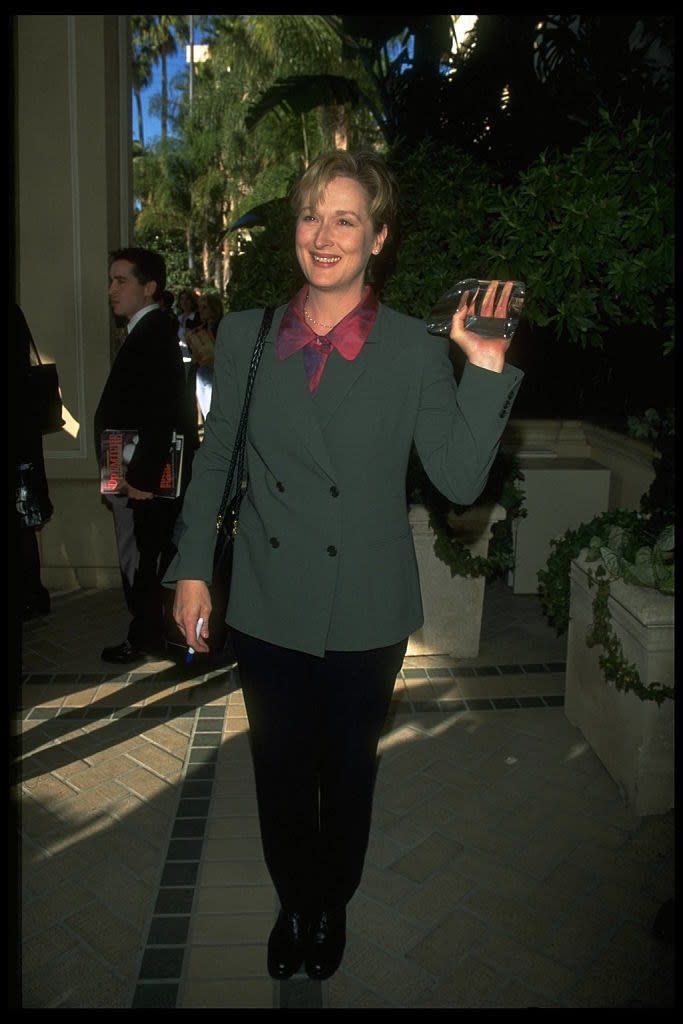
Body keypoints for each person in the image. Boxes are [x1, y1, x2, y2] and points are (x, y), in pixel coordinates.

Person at [164, 149, 524, 981]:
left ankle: (332, 904)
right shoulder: (250, 333)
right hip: (267, 596)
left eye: (345, 218)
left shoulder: (409, 348)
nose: (322, 236)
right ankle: (296, 900)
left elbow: (460, 479)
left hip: (363, 605)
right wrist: (189, 568)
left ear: (378, 239)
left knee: (346, 769)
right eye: (310, 216)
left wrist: (485, 365)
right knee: (280, 768)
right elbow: (216, 463)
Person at [95, 247, 195, 664]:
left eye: (122, 281)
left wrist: (140, 477)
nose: (111, 290)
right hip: (137, 470)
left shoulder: (152, 332)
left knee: (143, 557)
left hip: (142, 475)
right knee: (145, 555)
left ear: (149, 287)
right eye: (111, 280)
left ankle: (148, 635)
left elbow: (162, 412)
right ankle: (148, 633)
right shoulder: (149, 330)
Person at [13, 303, 54, 619]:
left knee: (22, 528)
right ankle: (33, 594)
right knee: (23, 527)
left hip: (20, 453)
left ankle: (31, 594)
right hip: (25, 451)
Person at [186, 291, 224, 426]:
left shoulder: (222, 327)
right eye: (200, 307)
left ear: (214, 308)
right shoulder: (199, 329)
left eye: (205, 307)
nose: (201, 311)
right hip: (202, 373)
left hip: (218, 375)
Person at [176, 288, 199, 367]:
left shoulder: (197, 318)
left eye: (187, 299)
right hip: (179, 358)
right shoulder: (177, 319)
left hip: (193, 359)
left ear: (192, 301)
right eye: (182, 299)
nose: (184, 302)